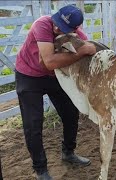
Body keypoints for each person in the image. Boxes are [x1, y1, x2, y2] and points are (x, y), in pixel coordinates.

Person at [15, 5, 96, 180]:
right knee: (33, 125)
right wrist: (81, 51)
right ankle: (40, 169)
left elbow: (90, 47)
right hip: (28, 75)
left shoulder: (79, 34)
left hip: (54, 77)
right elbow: (49, 61)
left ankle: (68, 152)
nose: (57, 28)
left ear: (75, 30)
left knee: (70, 113)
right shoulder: (42, 24)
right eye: (57, 23)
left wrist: (85, 48)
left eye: (64, 28)